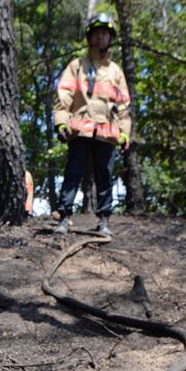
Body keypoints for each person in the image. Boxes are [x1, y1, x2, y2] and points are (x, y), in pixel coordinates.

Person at [54, 13, 131, 237]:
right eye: (96, 34)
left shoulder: (116, 71)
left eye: (104, 34)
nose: (100, 38)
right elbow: (64, 96)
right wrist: (61, 123)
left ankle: (104, 220)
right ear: (90, 37)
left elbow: (124, 105)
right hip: (80, 129)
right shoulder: (77, 66)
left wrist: (125, 133)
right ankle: (65, 216)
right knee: (73, 172)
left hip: (107, 132)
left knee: (105, 176)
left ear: (110, 38)